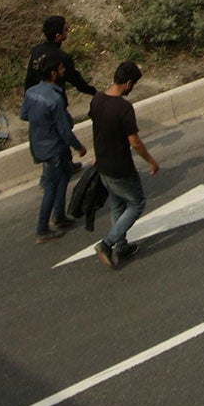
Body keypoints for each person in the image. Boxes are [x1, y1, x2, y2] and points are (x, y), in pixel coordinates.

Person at [90, 62, 159, 269]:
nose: (133, 88)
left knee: (118, 204)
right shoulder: (123, 108)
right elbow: (134, 142)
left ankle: (121, 246)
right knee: (137, 203)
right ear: (128, 83)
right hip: (121, 167)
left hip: (103, 165)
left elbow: (97, 130)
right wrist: (151, 161)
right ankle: (107, 243)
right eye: (134, 84)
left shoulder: (97, 100)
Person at [24, 54, 86, 242]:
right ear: (53, 74)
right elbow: (64, 130)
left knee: (66, 173)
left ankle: (59, 215)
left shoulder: (31, 92)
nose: (63, 71)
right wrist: (79, 147)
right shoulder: (55, 99)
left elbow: (25, 114)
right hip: (54, 148)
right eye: (60, 69)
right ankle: (42, 229)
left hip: (39, 144)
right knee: (51, 186)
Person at [25, 15, 96, 101]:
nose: (68, 31)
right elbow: (77, 81)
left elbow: (29, 78)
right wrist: (94, 92)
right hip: (53, 103)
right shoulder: (62, 58)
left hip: (34, 101)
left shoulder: (36, 50)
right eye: (65, 29)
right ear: (58, 36)